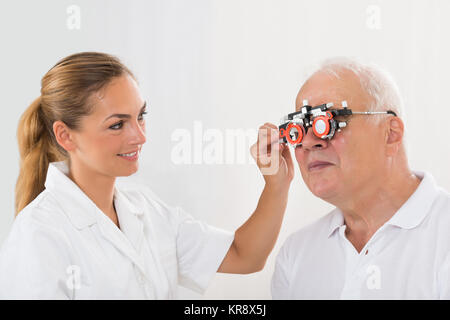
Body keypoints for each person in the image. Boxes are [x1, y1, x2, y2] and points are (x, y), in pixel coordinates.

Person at [0, 52, 293, 299]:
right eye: (117, 125)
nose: (139, 137)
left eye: (140, 116)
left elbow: (245, 255)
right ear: (66, 135)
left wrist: (276, 185)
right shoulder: (40, 233)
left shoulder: (145, 210)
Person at [271, 57, 450, 299]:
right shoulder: (296, 254)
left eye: (329, 122)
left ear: (391, 134)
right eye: (300, 128)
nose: (310, 142)